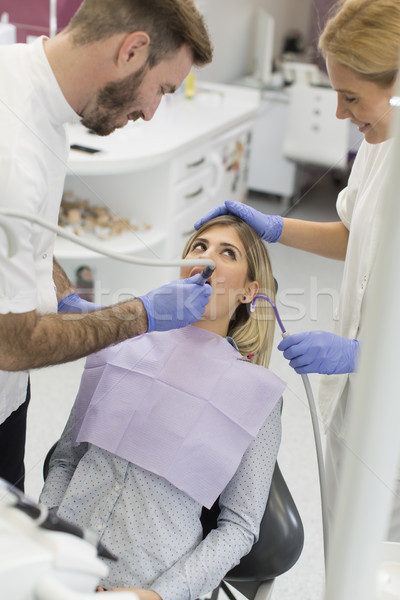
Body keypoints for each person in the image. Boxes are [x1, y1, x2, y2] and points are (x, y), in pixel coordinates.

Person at [195, 0, 400, 540]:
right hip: (364, 407)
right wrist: (274, 228)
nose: (339, 113)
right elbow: (360, 238)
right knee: (351, 538)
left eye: (351, 96)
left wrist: (370, 355)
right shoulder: (383, 143)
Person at [0, 0, 213, 492]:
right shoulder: (13, 151)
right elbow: (12, 345)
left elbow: (25, 235)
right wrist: (140, 315)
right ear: (132, 50)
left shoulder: (36, 94)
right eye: (160, 89)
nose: (151, 111)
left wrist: (61, 295)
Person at [39, 215, 285, 600]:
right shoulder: (120, 344)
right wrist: (46, 539)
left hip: (149, 582)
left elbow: (239, 527)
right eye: (199, 247)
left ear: (248, 291)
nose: (208, 260)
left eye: (227, 253)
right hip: (59, 563)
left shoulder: (254, 395)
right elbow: (66, 460)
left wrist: (154, 596)